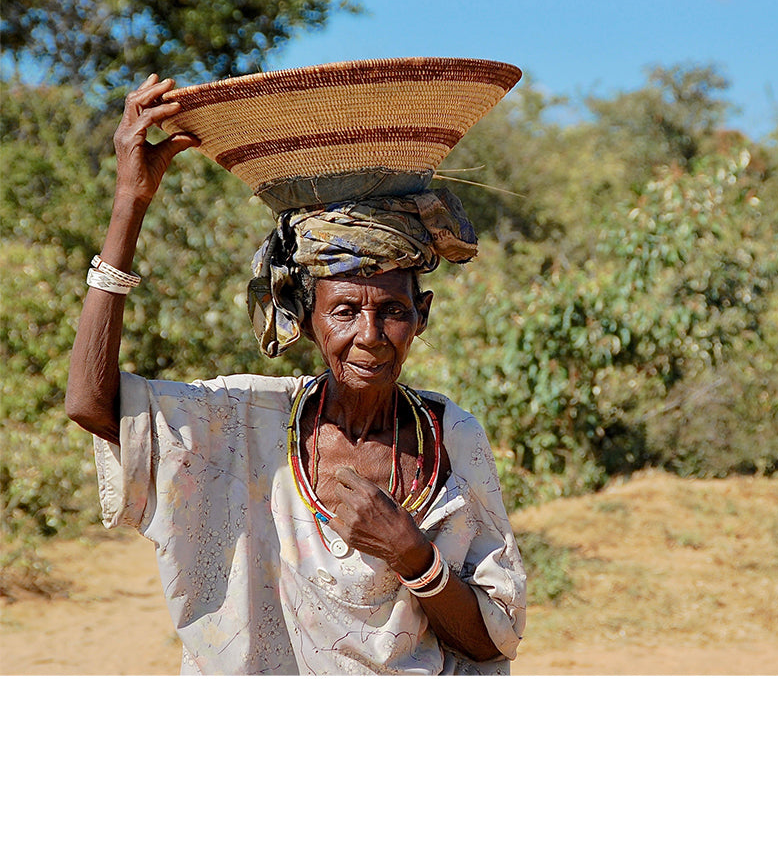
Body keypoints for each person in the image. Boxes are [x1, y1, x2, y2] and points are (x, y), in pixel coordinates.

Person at [66, 71, 527, 675]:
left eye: (392, 310)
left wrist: (414, 556)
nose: (369, 335)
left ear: (422, 316)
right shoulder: (246, 421)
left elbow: (493, 641)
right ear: (304, 319)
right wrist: (132, 200)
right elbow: (91, 404)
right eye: (343, 310)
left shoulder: (451, 435)